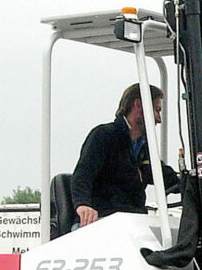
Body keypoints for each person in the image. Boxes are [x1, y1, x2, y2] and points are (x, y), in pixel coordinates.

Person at [71, 83, 179, 229]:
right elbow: (83, 175)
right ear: (138, 105)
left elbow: (162, 175)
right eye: (157, 110)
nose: (159, 119)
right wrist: (83, 205)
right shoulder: (104, 136)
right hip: (103, 219)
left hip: (131, 221)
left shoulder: (143, 147)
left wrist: (192, 184)